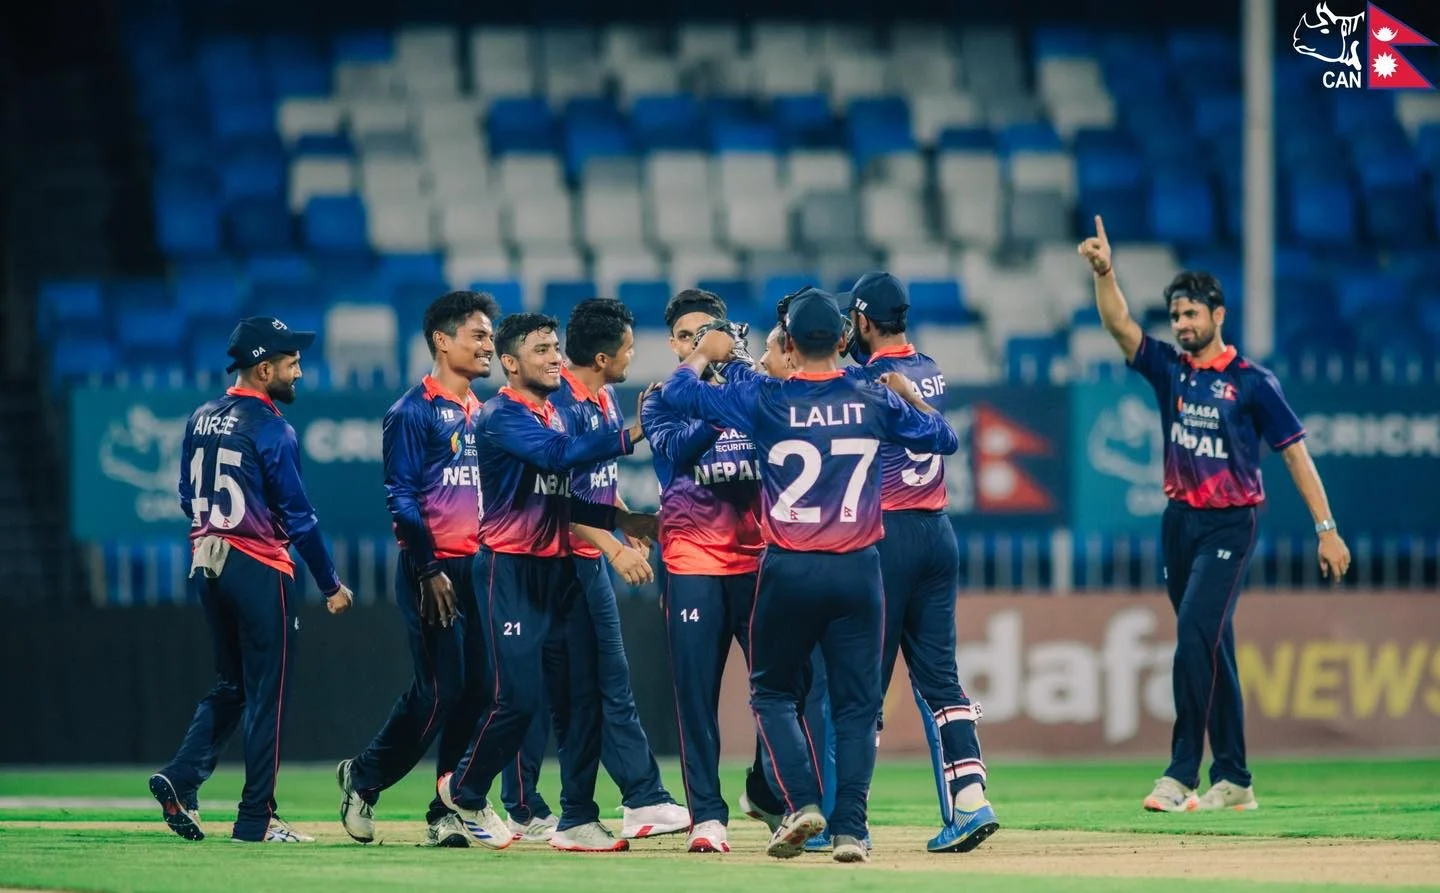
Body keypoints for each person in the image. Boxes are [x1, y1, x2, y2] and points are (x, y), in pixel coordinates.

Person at [662, 288, 960, 863]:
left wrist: (704, 353)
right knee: (856, 706)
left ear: (790, 345)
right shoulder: (872, 394)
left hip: (789, 568)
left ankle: (802, 802)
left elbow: (680, 393)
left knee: (773, 692)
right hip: (859, 570)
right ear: (844, 340)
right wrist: (908, 394)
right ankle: (851, 830)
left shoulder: (765, 398)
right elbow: (945, 439)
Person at [1078, 215, 1351, 812]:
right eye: (1175, 316)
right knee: (1214, 645)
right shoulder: (1171, 370)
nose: (1181, 324)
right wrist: (1105, 273)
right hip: (1179, 522)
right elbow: (1120, 325)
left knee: (1194, 635)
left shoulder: (1253, 383)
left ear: (1218, 315)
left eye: (1191, 314)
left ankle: (1181, 775)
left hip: (1231, 523)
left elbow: (1296, 455)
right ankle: (1235, 778)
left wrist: (1326, 528)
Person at [437, 312, 654, 852]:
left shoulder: (555, 414)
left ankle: (578, 817)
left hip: (561, 570)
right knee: (518, 700)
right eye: (541, 350)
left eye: (556, 347)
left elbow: (561, 496)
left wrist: (619, 520)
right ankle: (463, 790)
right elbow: (559, 457)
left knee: (583, 698)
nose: (556, 357)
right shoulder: (499, 417)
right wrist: (640, 428)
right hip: (510, 570)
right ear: (510, 364)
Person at [149, 316, 354, 844]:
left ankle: (182, 777)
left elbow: (185, 495)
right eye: (292, 363)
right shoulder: (272, 428)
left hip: (206, 562)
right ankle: (256, 819)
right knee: (268, 695)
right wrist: (330, 584)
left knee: (232, 685)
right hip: (258, 567)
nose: (299, 372)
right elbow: (300, 517)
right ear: (264, 369)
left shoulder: (201, 416)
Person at [497, 297, 690, 841]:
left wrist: (624, 521)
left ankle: (633, 798)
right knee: (543, 693)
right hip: (553, 563)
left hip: (581, 562)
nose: (632, 356)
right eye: (627, 348)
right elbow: (555, 498)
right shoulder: (558, 404)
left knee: (596, 686)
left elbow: (593, 485)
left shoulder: (603, 397)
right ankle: (523, 802)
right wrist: (613, 547)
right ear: (604, 357)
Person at [336, 291, 522, 848]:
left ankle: (446, 808)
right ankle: (362, 777)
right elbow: (401, 497)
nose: (488, 346)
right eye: (478, 335)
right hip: (433, 570)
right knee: (441, 690)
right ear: (443, 341)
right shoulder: (411, 411)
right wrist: (426, 568)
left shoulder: (484, 413)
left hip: (481, 568)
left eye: (490, 336)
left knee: (481, 691)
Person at [840, 271, 999, 853]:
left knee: (863, 686)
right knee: (941, 680)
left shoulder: (861, 381)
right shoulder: (930, 368)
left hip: (885, 535)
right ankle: (971, 802)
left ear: (862, 320)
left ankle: (848, 821)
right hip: (938, 532)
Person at [639, 289, 776, 854]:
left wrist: (736, 381)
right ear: (675, 345)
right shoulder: (659, 401)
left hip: (759, 559)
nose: (697, 343)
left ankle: (768, 790)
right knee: (696, 697)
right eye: (687, 337)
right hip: (692, 562)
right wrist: (712, 387)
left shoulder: (754, 389)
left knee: (781, 690)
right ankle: (708, 817)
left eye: (706, 332)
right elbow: (678, 450)